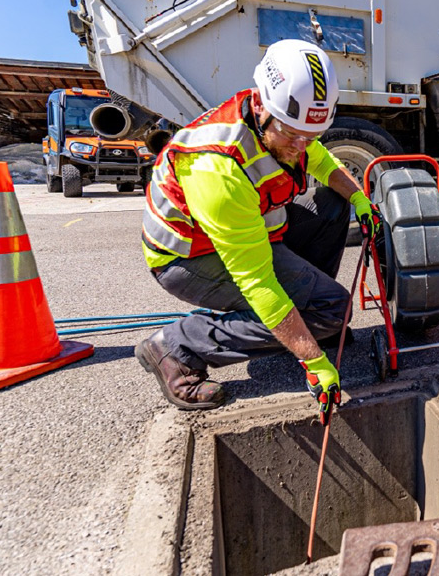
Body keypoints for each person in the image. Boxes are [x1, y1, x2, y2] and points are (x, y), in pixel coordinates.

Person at [134, 39, 382, 416]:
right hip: (191, 258)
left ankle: (309, 321)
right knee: (333, 310)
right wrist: (313, 361)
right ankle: (177, 346)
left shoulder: (285, 123)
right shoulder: (218, 169)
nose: (301, 146)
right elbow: (258, 281)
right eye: (292, 135)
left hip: (253, 232)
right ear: (261, 104)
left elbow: (324, 163)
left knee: (334, 203)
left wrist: (360, 199)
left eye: (310, 136)